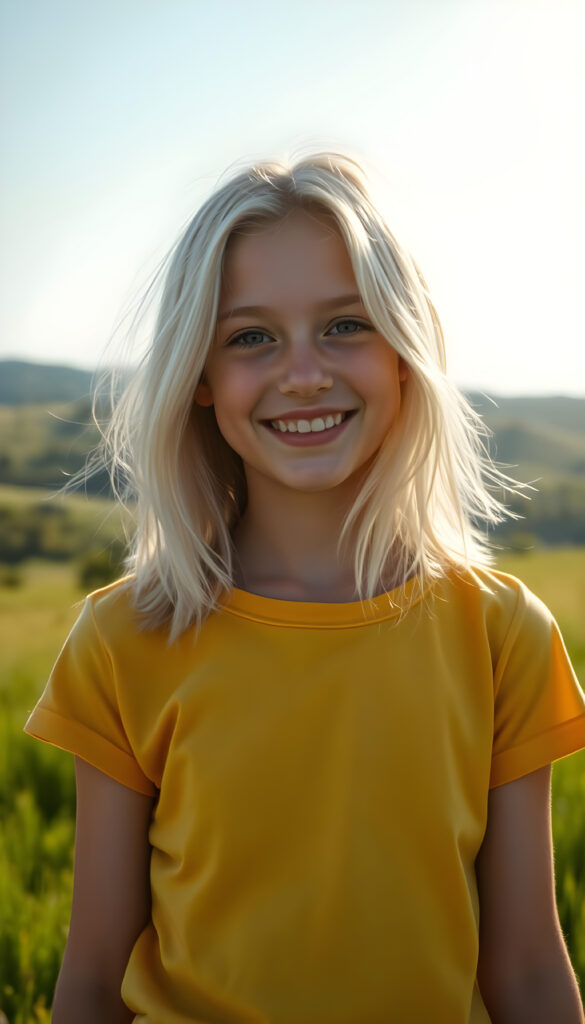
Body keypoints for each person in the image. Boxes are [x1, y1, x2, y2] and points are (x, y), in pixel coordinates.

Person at [25, 152, 585, 1024]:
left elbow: (528, 972)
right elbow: (94, 978)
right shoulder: (124, 638)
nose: (304, 373)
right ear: (199, 377)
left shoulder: (501, 633)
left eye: (345, 325)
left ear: (403, 353)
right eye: (250, 337)